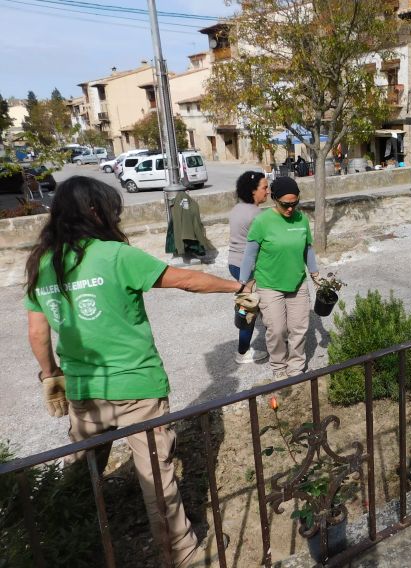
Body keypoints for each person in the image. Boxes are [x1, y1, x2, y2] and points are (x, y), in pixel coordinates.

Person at [24, 176, 251, 567]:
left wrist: (50, 376)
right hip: (137, 389)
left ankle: (62, 546)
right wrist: (235, 286)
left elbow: (37, 330)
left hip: (83, 391)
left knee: (80, 471)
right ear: (95, 211)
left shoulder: (43, 263)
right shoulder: (115, 255)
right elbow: (185, 280)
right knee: (158, 484)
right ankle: (184, 556)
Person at [239, 177, 319, 379]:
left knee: (299, 328)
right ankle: (279, 367)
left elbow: (307, 249)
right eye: (285, 204)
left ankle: (296, 368)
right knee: (277, 330)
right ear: (274, 199)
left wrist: (315, 274)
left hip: (297, 282)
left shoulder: (301, 220)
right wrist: (243, 283)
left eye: (294, 203)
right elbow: (249, 254)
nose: (290, 209)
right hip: (269, 284)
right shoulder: (262, 221)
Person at [228, 171, 270, 364]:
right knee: (250, 308)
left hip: (234, 263)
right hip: (249, 268)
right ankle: (242, 352)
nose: (268, 192)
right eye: (264, 188)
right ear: (253, 191)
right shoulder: (256, 215)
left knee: (247, 305)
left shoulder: (237, 208)